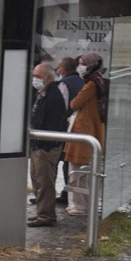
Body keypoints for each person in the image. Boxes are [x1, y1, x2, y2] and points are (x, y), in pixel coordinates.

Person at [64, 52, 107, 216]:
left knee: (78, 170)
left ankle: (79, 206)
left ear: (91, 65)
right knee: (85, 171)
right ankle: (84, 205)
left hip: (83, 133)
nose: (80, 66)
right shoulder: (98, 81)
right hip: (92, 131)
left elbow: (75, 103)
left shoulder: (90, 84)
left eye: (82, 63)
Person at [27, 63, 68, 228]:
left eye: (38, 76)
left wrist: (44, 146)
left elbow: (53, 123)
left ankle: (46, 216)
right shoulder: (42, 92)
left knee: (45, 182)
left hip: (46, 147)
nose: (35, 80)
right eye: (34, 76)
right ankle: (41, 212)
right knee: (37, 179)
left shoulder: (54, 96)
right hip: (38, 144)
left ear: (48, 78)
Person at [56, 57, 85, 203]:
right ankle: (70, 192)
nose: (57, 70)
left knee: (64, 162)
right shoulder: (82, 82)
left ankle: (67, 194)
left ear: (65, 69)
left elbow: (62, 107)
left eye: (59, 67)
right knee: (71, 162)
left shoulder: (63, 84)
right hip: (78, 127)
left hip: (66, 128)